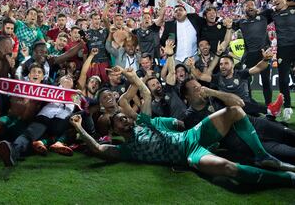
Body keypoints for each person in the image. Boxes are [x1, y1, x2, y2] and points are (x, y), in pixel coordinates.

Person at [69, 74, 295, 187]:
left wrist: (134, 79)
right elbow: (98, 148)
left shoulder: (145, 123)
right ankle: (286, 177)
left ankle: (262, 156)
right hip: (190, 155)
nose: (125, 121)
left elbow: (144, 95)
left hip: (192, 135)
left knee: (235, 110)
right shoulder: (127, 150)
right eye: (119, 121)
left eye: (125, 118)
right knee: (226, 168)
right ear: (115, 129)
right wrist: (79, 127)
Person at [181, 77, 295, 164]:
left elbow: (240, 103)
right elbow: (200, 143)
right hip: (244, 142)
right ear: (187, 96)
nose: (201, 90)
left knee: (290, 135)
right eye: (195, 89)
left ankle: (270, 112)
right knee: (288, 153)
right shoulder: (190, 117)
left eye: (200, 86)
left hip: (256, 124)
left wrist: (213, 92)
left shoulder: (214, 97)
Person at [193, 53, 283, 118]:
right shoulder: (217, 78)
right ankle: (270, 110)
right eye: (221, 64)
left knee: (260, 118)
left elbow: (258, 67)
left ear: (232, 65)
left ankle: (270, 113)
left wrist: (265, 59)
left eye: (226, 63)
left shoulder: (240, 74)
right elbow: (200, 76)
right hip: (230, 109)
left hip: (246, 105)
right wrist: (191, 67)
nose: (223, 66)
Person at [268, 0, 295, 121]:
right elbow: (259, 16)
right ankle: (288, 108)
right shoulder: (272, 14)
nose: (276, 0)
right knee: (283, 80)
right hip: (283, 49)